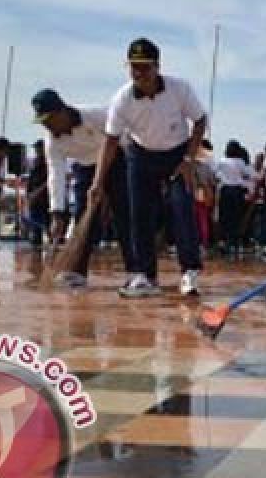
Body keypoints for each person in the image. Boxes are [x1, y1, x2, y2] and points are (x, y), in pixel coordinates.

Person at [89, 38, 207, 297]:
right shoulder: (122, 99)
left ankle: (189, 272)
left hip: (177, 155)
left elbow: (200, 121)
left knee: (181, 209)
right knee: (139, 214)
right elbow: (110, 143)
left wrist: (188, 160)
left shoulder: (180, 89)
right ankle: (143, 275)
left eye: (145, 67)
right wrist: (97, 182)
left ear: (157, 66)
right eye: (134, 67)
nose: (139, 73)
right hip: (140, 155)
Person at [32, 88, 134, 287]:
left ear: (62, 112)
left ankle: (135, 270)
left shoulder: (97, 114)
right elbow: (56, 174)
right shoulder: (51, 140)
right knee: (83, 217)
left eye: (48, 120)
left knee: (124, 215)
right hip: (85, 167)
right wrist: (57, 213)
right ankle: (76, 272)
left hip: (117, 161)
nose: (46, 126)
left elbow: (124, 139)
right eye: (42, 122)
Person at [216, 140, 254, 254]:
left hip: (225, 190)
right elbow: (249, 174)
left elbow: (216, 174)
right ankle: (234, 241)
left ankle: (224, 241)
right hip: (237, 191)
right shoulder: (241, 162)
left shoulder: (222, 161)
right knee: (237, 217)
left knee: (225, 216)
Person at [23, 139, 50, 246]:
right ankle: (35, 253)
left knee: (48, 227)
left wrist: (37, 192)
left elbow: (50, 181)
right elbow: (30, 182)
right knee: (35, 232)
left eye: (39, 148)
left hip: (45, 201)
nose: (37, 150)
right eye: (36, 148)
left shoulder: (49, 163)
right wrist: (28, 196)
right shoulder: (34, 164)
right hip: (34, 202)